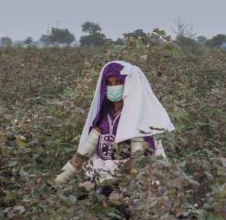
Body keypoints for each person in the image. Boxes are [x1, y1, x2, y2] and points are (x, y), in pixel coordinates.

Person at [54, 60, 174, 189]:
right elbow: (83, 154)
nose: (113, 87)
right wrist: (56, 182)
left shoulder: (137, 117)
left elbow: (137, 162)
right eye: (109, 83)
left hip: (129, 182)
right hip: (100, 174)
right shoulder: (104, 116)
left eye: (118, 82)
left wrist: (106, 180)